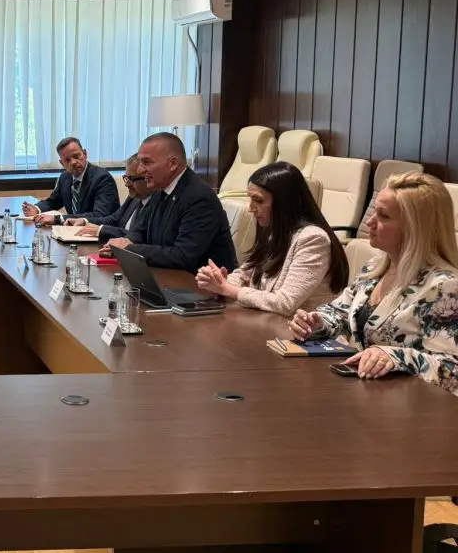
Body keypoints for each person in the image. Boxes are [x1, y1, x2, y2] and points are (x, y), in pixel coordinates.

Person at [290, 172, 458, 392]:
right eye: (374, 212)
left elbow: (452, 369)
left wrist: (395, 357)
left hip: (414, 404)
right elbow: (340, 312)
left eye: (383, 216)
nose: (369, 222)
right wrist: (316, 322)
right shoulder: (375, 267)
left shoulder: (445, 287)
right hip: (366, 393)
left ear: (416, 228)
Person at [196, 162, 347, 316]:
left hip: (296, 328)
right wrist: (220, 281)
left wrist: (227, 289)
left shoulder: (313, 239)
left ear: (284, 203)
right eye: (251, 199)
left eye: (259, 200)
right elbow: (244, 274)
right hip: (265, 321)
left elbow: (285, 303)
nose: (251, 208)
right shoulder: (273, 230)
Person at [103, 132, 236, 272]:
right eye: (140, 162)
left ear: (173, 164)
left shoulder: (199, 197)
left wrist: (129, 248)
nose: (140, 170)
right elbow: (139, 231)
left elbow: (183, 256)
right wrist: (125, 242)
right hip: (167, 275)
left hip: (199, 281)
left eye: (146, 162)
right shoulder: (159, 188)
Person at [24, 137, 119, 224]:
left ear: (85, 154)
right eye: (67, 160)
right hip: (75, 231)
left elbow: (100, 215)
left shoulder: (102, 178)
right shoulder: (65, 178)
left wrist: (58, 219)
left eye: (76, 156)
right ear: (62, 163)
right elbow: (53, 202)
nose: (73, 162)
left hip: (101, 232)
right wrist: (36, 209)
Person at [65, 154, 156, 240]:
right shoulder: (135, 196)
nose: (127, 184)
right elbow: (114, 219)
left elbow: (141, 237)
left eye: (132, 179)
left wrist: (100, 230)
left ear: (148, 177)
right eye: (126, 178)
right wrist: (84, 221)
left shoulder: (157, 204)